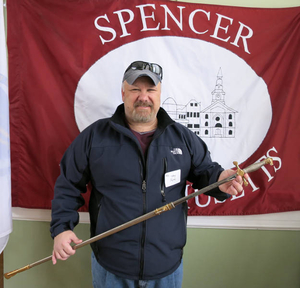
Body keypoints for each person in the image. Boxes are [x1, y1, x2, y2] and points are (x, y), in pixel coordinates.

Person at [50, 60, 247, 288]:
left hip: (166, 267)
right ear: (123, 93)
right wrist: (62, 229)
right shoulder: (95, 137)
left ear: (159, 94)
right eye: (135, 89)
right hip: (111, 267)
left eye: (150, 90)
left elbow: (207, 173)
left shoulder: (182, 138)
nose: (143, 97)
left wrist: (220, 180)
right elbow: (68, 185)